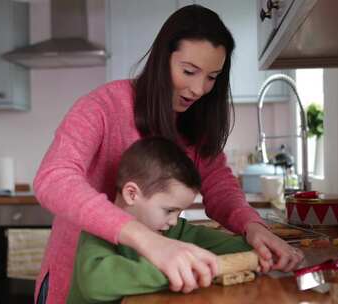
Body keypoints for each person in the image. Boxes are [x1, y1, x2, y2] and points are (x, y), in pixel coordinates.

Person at [34, 4, 304, 304]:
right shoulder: (102, 106)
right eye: (189, 71)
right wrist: (145, 239)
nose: (199, 88)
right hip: (80, 282)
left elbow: (218, 185)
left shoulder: (196, 122)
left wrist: (252, 227)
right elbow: (53, 179)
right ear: (163, 60)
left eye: (212, 77)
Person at [67, 137, 257, 303]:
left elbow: (218, 242)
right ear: (132, 194)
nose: (174, 221)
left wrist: (260, 248)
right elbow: (95, 283)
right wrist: (180, 271)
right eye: (169, 210)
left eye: (179, 212)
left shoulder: (168, 229)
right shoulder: (98, 229)